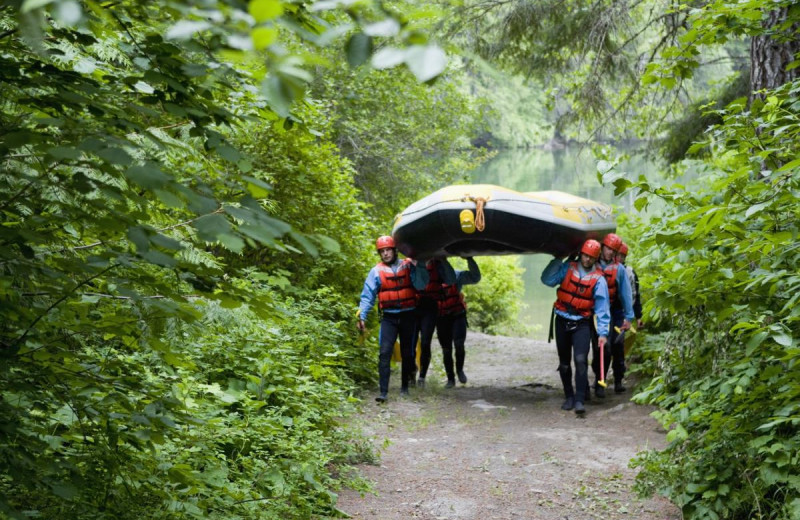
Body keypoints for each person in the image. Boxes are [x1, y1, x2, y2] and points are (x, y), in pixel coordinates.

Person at [540, 240, 610, 415]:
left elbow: (602, 308)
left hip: (582, 323)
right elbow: (547, 280)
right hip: (562, 320)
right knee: (564, 363)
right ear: (581, 254)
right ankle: (569, 396)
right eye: (585, 255)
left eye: (591, 257)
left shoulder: (599, 280)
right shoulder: (567, 268)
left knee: (580, 360)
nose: (587, 260)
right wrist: (558, 259)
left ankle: (579, 400)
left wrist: (603, 332)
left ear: (595, 259)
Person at [358, 236, 429, 403]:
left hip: (408, 315)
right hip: (389, 317)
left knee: (407, 353)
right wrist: (361, 315)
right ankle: (383, 392)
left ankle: (405, 387)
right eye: (382, 251)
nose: (385, 254)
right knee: (384, 353)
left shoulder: (408, 265)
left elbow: (421, 284)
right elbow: (367, 296)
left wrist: (419, 264)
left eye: (388, 250)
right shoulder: (376, 271)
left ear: (395, 250)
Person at [593, 233, 635, 396]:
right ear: (602, 247)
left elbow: (626, 294)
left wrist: (629, 317)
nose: (609, 252)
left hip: (615, 311)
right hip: (596, 312)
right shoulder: (592, 263)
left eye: (613, 250)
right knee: (602, 346)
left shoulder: (619, 269)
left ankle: (618, 379)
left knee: (617, 345)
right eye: (608, 248)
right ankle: (599, 381)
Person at [436, 257, 481, 388]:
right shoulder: (429, 280)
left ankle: (459, 370)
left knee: (459, 344)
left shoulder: (457, 276)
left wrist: (470, 259)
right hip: (442, 318)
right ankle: (450, 379)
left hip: (457, 315)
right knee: (446, 350)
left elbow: (475, 277)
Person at [414, 258, 457, 388]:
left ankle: (422, 376)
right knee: (410, 342)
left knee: (426, 342)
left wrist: (443, 260)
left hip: (430, 306)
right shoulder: (412, 263)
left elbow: (451, 280)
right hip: (414, 306)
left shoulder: (438, 265)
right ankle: (411, 373)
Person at [617, 242, 643, 330]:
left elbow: (635, 295)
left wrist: (638, 317)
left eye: (622, 256)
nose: (619, 258)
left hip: (623, 312)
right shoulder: (605, 268)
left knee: (618, 340)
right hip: (607, 310)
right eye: (618, 255)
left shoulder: (630, 272)